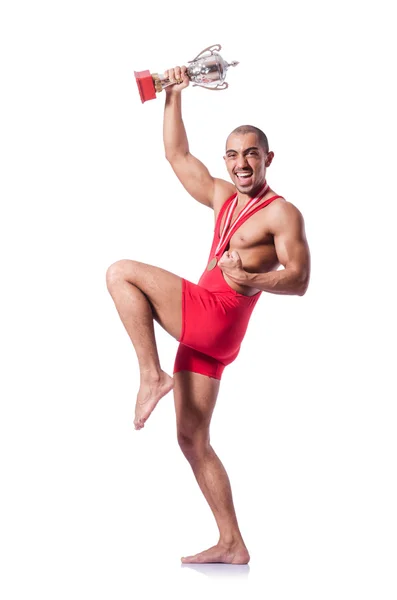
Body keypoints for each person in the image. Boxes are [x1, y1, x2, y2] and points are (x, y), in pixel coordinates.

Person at [106, 65, 311, 564]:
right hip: (205, 333)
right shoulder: (223, 198)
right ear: (227, 159)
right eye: (235, 155)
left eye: (252, 154)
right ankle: (232, 543)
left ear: (268, 158)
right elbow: (177, 155)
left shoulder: (282, 213)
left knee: (121, 273)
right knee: (192, 439)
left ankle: (151, 374)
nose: (243, 163)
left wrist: (251, 280)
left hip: (219, 315)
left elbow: (300, 279)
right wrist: (174, 94)